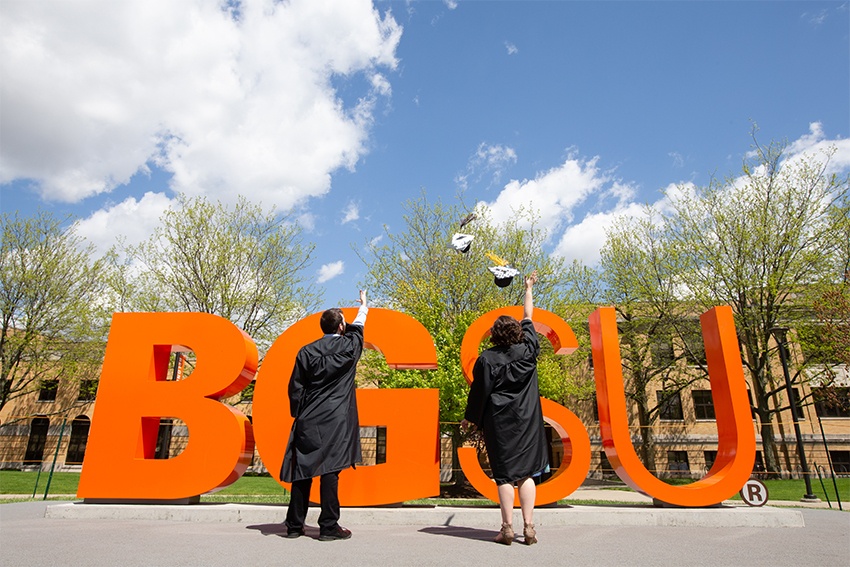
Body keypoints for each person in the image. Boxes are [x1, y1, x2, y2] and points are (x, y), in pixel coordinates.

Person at [461, 271, 545, 546]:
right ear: (518, 332)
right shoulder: (529, 350)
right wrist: (528, 288)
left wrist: (470, 418)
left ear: (494, 335)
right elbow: (529, 315)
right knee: (526, 474)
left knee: (504, 475)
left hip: (499, 423)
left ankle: (507, 528)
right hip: (528, 420)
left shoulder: (487, 359)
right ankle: (529, 527)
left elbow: (479, 392)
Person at [280, 290, 368, 541]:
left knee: (303, 470)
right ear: (341, 327)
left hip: (309, 417)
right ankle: (328, 527)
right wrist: (363, 305)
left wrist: (298, 413)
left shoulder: (306, 351)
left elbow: (295, 387)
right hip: (337, 418)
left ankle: (294, 526)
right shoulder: (350, 348)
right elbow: (358, 327)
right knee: (330, 471)